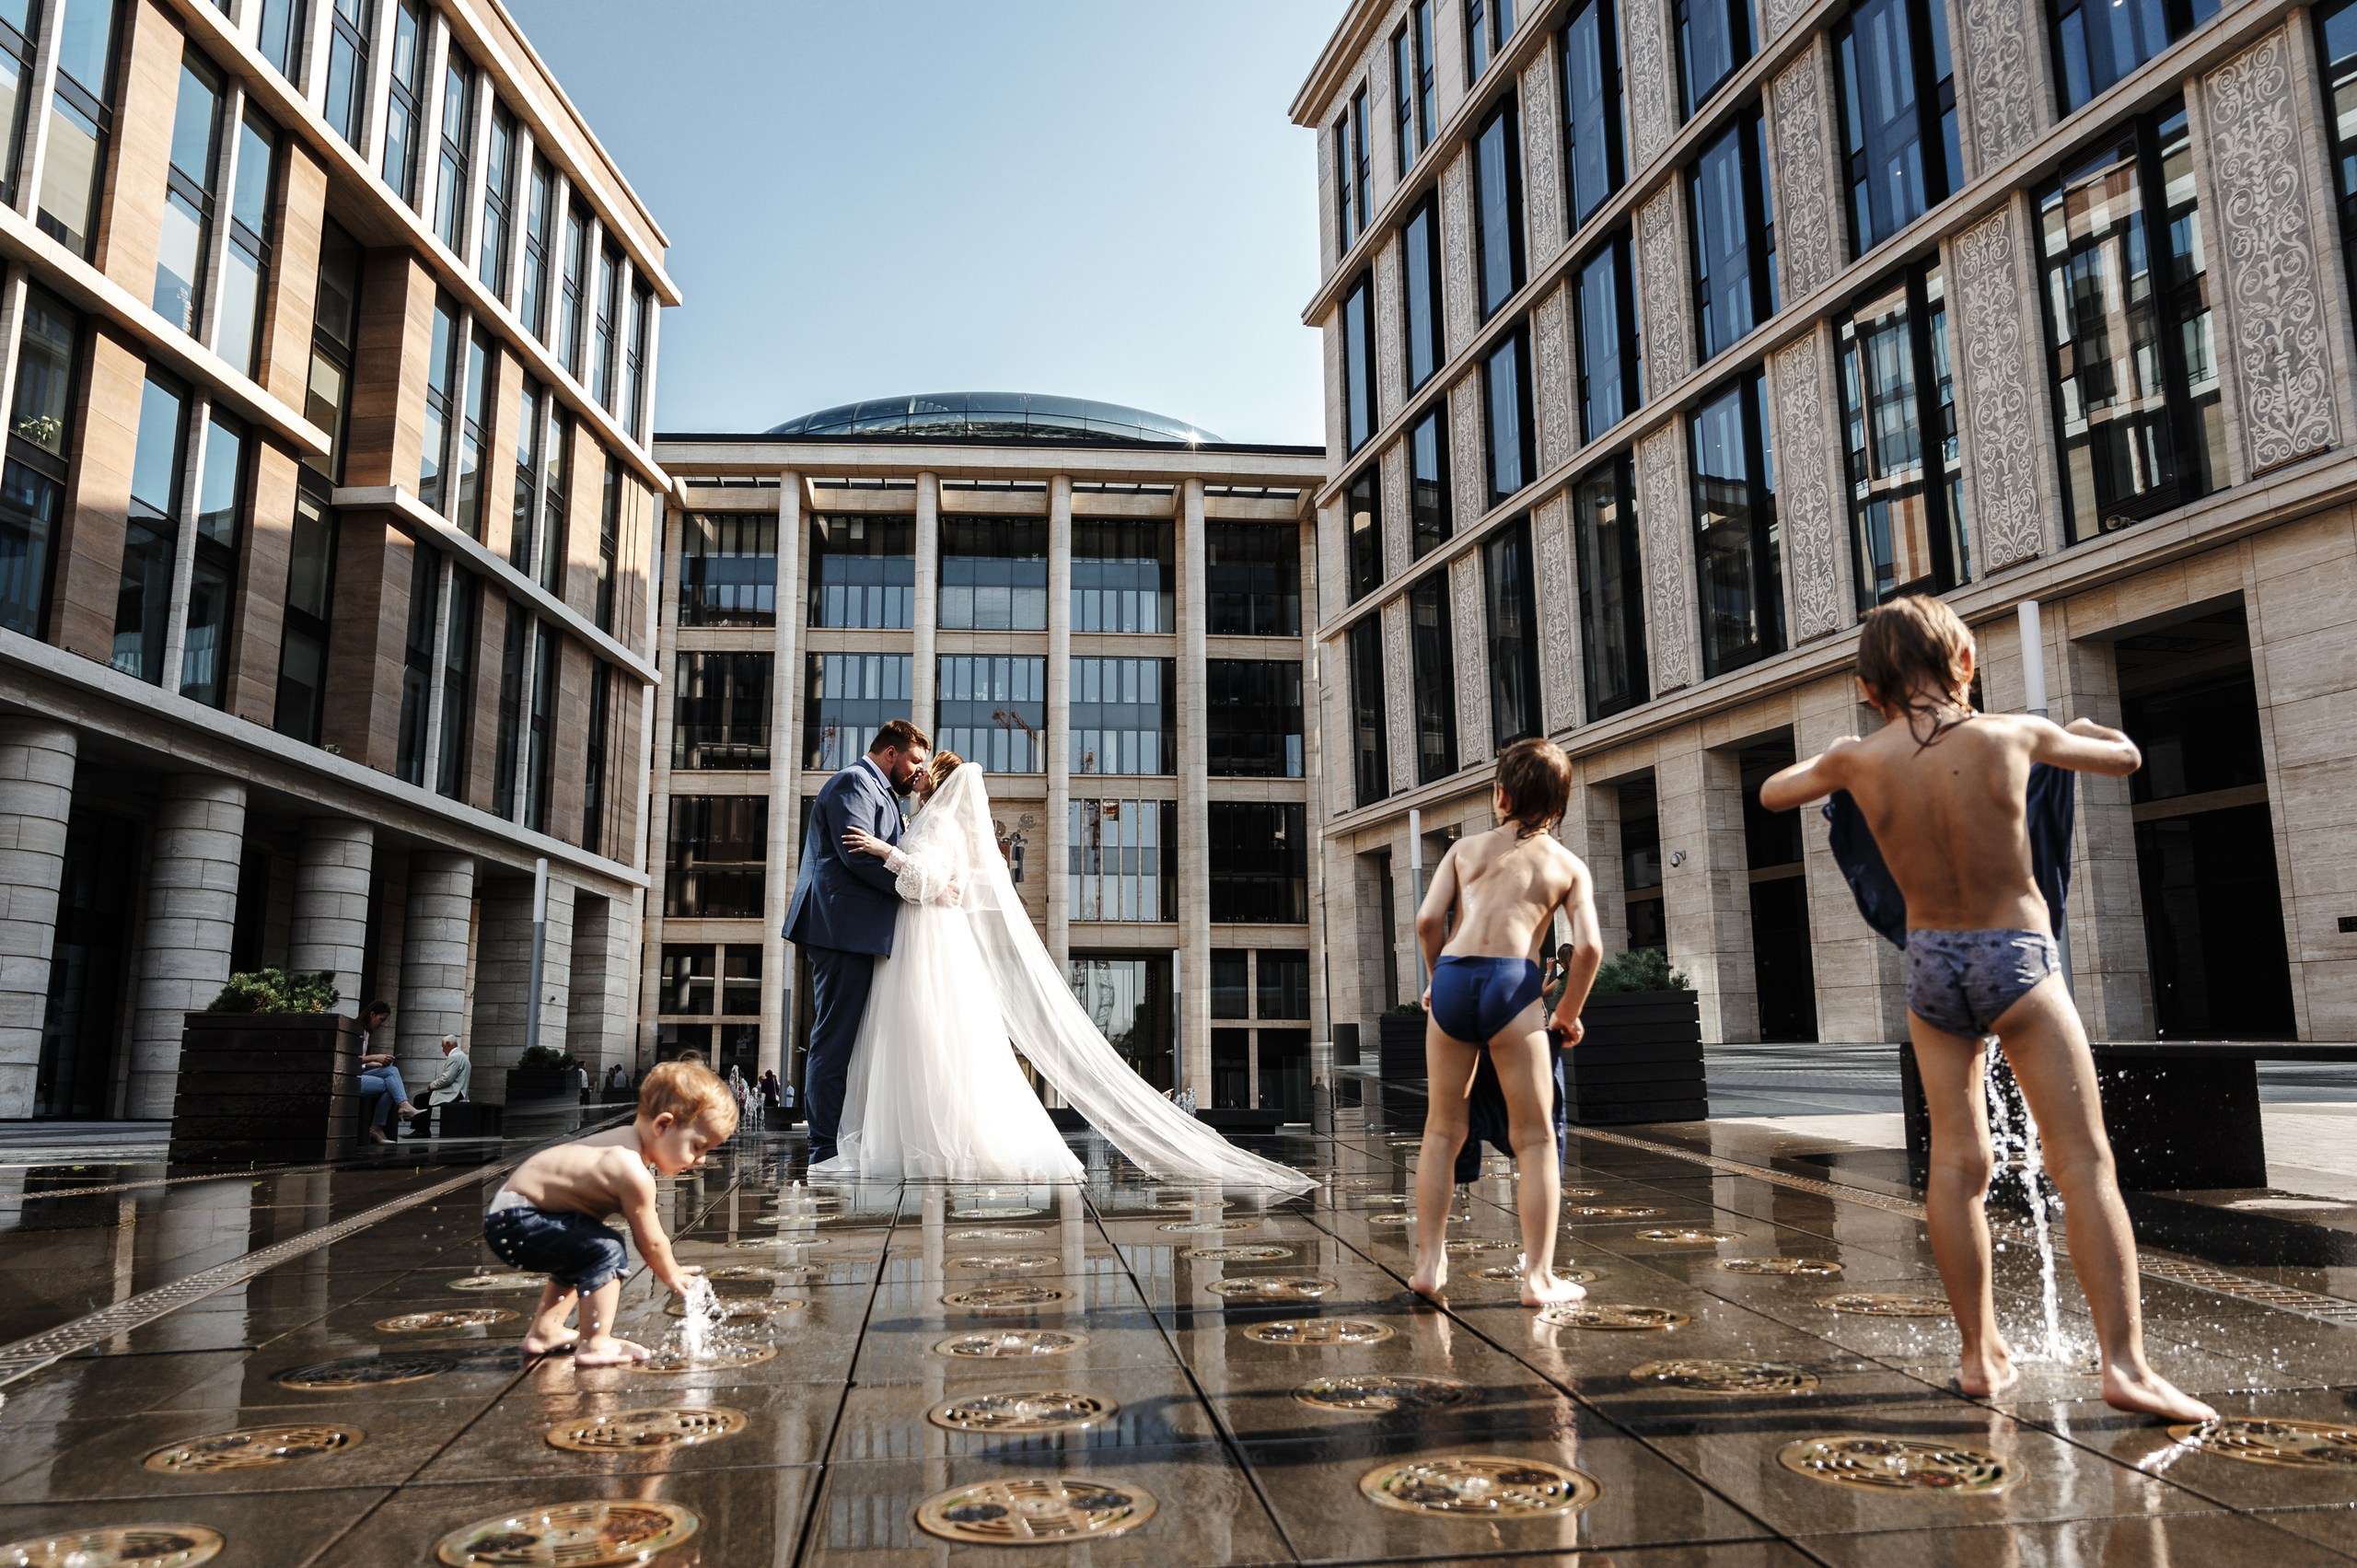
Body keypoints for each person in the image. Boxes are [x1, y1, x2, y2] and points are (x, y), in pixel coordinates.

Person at [1757, 594, 2213, 1423]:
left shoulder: (1860, 759)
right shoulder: (2014, 733)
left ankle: (1978, 1352)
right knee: (2083, 1163)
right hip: (2018, 958)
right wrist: (2087, 726)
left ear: (1868, 687)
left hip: (1931, 966)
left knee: (1957, 1167)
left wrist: (1836, 752)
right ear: (1965, 663)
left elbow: (1772, 793)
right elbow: (2127, 760)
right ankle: (2126, 1365)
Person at [823, 753, 1313, 1191]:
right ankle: (923, 1140)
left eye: (924, 771)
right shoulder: (932, 821)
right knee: (935, 1042)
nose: (917, 777)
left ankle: (926, 1144)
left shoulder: (935, 824)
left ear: (940, 783)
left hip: (924, 941)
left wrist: (884, 850)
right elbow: (949, 883)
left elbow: (926, 881)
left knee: (924, 1038)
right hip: (926, 939)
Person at [1409, 738, 1603, 1307]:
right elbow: (1588, 948)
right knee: (1536, 1137)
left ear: (1501, 795)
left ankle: (1427, 1265)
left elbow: (1427, 920)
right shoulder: (1566, 865)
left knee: (1442, 1130)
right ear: (1560, 806)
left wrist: (1434, 978)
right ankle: (1538, 1279)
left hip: (1454, 977)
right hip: (1511, 986)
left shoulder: (1464, 849)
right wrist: (1566, 1014)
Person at [482, 1060, 737, 1365]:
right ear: (663, 1125)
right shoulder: (632, 1171)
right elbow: (651, 1242)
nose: (701, 1160)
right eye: (698, 1146)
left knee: (581, 1253)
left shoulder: (622, 1142)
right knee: (607, 1250)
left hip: (510, 1212)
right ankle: (595, 1343)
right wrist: (672, 1272)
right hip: (518, 1220)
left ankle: (545, 1331)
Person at [784, 718, 931, 1165]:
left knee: (852, 1039)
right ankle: (823, 1148)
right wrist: (914, 888)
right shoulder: (854, 782)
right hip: (841, 928)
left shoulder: (881, 791)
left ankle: (842, 1140)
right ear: (890, 753)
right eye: (913, 760)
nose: (917, 771)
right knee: (834, 1040)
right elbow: (856, 856)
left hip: (857, 930)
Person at [354, 1000, 416, 1144]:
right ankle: (378, 1125)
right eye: (381, 1019)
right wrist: (376, 1057)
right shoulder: (356, 1030)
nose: (381, 1024)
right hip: (351, 1077)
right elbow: (350, 1060)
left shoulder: (367, 1032)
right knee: (391, 1085)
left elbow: (362, 1063)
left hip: (360, 1073)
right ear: (372, 1014)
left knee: (391, 1070)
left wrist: (378, 1063)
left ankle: (401, 1107)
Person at [411, 1034, 470, 1136]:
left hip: (453, 1093)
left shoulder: (455, 1057)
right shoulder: (462, 1056)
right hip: (460, 1092)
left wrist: (432, 1086)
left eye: (443, 1046)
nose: (443, 1050)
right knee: (424, 1098)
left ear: (448, 1044)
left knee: (420, 1099)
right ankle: (422, 1130)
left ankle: (421, 1130)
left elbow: (447, 1079)